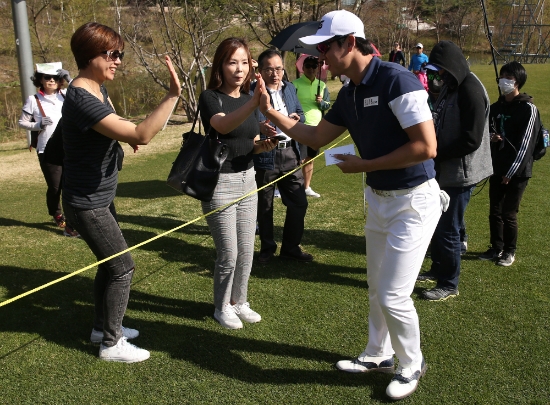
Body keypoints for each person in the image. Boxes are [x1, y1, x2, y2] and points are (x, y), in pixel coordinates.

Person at [259, 10, 442, 401]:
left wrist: (365, 165)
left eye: (326, 47)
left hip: (413, 200)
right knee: (378, 287)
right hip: (378, 199)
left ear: (350, 43)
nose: (321, 55)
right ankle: (378, 354)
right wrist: (270, 112)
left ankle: (411, 363)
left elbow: (426, 147)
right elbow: (315, 134)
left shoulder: (397, 79)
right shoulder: (350, 92)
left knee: (393, 293)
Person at [62, 22, 181, 362]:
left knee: (108, 265)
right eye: (111, 54)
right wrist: (172, 95)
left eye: (120, 54)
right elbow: (142, 134)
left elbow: (119, 130)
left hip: (98, 196)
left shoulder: (97, 89)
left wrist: (122, 138)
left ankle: (102, 327)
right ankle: (111, 344)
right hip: (88, 203)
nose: (118, 61)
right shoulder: (82, 95)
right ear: (89, 55)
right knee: (122, 267)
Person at [198, 38, 277, 330]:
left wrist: (262, 146)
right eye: (232, 62)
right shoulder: (211, 97)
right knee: (228, 252)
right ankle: (222, 307)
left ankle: (239, 301)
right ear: (220, 64)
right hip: (219, 183)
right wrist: (256, 102)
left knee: (246, 249)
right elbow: (222, 125)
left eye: (244, 62)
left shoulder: (248, 99)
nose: (239, 69)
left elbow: (248, 141)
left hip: (248, 179)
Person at [417, 41, 493, 300]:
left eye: (442, 70)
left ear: (454, 66)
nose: (439, 76)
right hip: (444, 170)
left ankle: (449, 284)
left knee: (449, 228)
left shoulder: (470, 89)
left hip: (460, 174)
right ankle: (438, 269)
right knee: (438, 225)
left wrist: (435, 150)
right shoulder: (452, 86)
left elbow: (471, 140)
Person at [252, 49, 313, 264]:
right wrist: (258, 127)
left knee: (299, 203)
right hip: (265, 154)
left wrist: (297, 119)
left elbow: (301, 114)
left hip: (291, 153)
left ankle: (290, 247)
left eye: (278, 68)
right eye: (269, 69)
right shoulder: (251, 93)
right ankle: (267, 249)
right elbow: (244, 122)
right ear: (260, 71)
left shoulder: (290, 88)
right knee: (265, 206)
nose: (274, 73)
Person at [479, 61, 541, 266]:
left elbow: (526, 145)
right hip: (497, 167)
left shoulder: (528, 109)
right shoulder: (496, 107)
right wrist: (492, 138)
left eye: (509, 78)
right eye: (502, 77)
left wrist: (511, 172)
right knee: (494, 210)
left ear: (518, 82)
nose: (503, 81)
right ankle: (495, 247)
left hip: (518, 171)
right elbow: (484, 134)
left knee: (509, 213)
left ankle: (509, 250)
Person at [18, 64, 79, 237]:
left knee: (70, 185)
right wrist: (37, 124)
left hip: (69, 147)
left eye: (55, 77)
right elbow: (22, 122)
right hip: (47, 149)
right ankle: (56, 212)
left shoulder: (66, 94)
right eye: (46, 77)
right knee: (55, 187)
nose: (51, 80)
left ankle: (71, 222)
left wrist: (69, 79)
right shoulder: (33, 99)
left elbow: (85, 94)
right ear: (40, 80)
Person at [292, 55, 331, 198]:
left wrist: (321, 102)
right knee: (298, 159)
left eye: (314, 67)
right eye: (307, 66)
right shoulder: (294, 84)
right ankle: (293, 186)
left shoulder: (322, 85)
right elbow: (290, 104)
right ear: (303, 68)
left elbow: (327, 105)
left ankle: (306, 187)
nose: (311, 69)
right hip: (300, 126)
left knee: (310, 158)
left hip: (317, 126)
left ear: (318, 68)